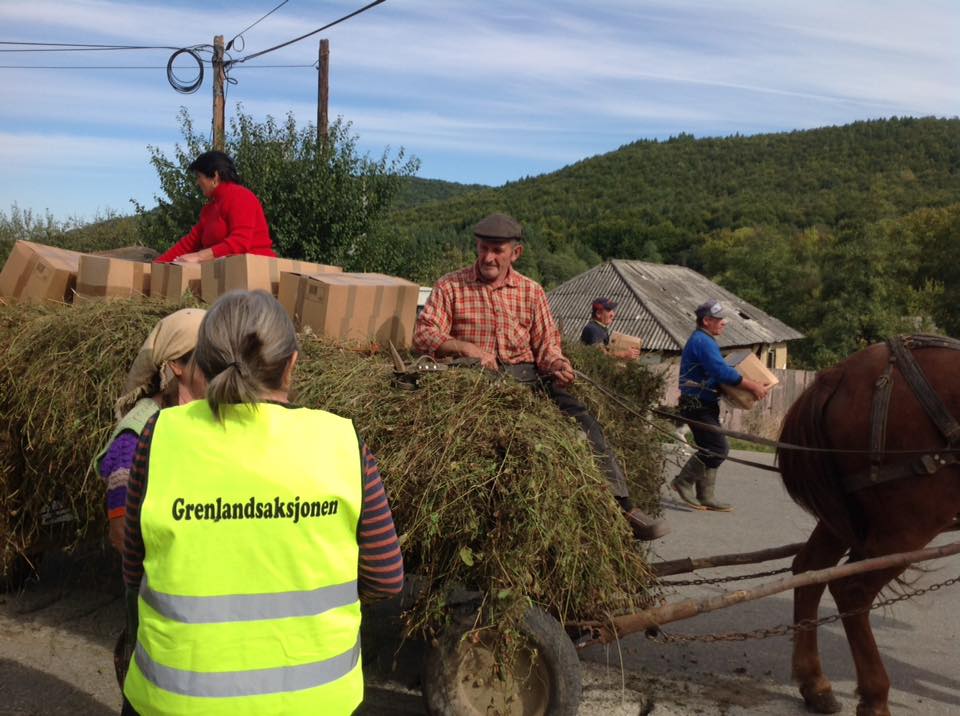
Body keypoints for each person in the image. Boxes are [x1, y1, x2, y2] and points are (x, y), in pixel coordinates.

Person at [121, 290, 403, 715]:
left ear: (204, 362)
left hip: (177, 701)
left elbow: (133, 569)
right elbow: (385, 579)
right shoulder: (342, 441)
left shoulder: (160, 434)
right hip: (316, 701)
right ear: (292, 363)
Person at [413, 212, 669, 541]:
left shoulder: (531, 292)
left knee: (584, 420)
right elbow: (424, 334)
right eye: (482, 249)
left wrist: (558, 364)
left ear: (514, 253)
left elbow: (547, 344)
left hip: (527, 376)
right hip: (475, 377)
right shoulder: (451, 286)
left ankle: (623, 506)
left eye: (497, 250)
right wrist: (464, 346)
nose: (488, 257)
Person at [95, 308, 206, 552]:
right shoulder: (135, 434)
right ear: (176, 366)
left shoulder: (216, 414)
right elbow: (122, 533)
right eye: (210, 359)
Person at [671, 299, 770, 511]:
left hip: (703, 402)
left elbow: (720, 373)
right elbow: (721, 372)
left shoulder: (705, 340)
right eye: (719, 319)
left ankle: (706, 495)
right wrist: (751, 386)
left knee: (709, 447)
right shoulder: (703, 342)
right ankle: (683, 482)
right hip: (697, 404)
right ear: (706, 321)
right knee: (718, 448)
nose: (724, 323)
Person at [155, 151, 276, 264]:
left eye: (198, 176)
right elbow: (188, 244)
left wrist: (199, 256)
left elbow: (240, 242)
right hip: (224, 271)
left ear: (214, 176)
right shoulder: (209, 209)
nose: (197, 182)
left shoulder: (241, 197)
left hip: (253, 269)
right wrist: (155, 266)